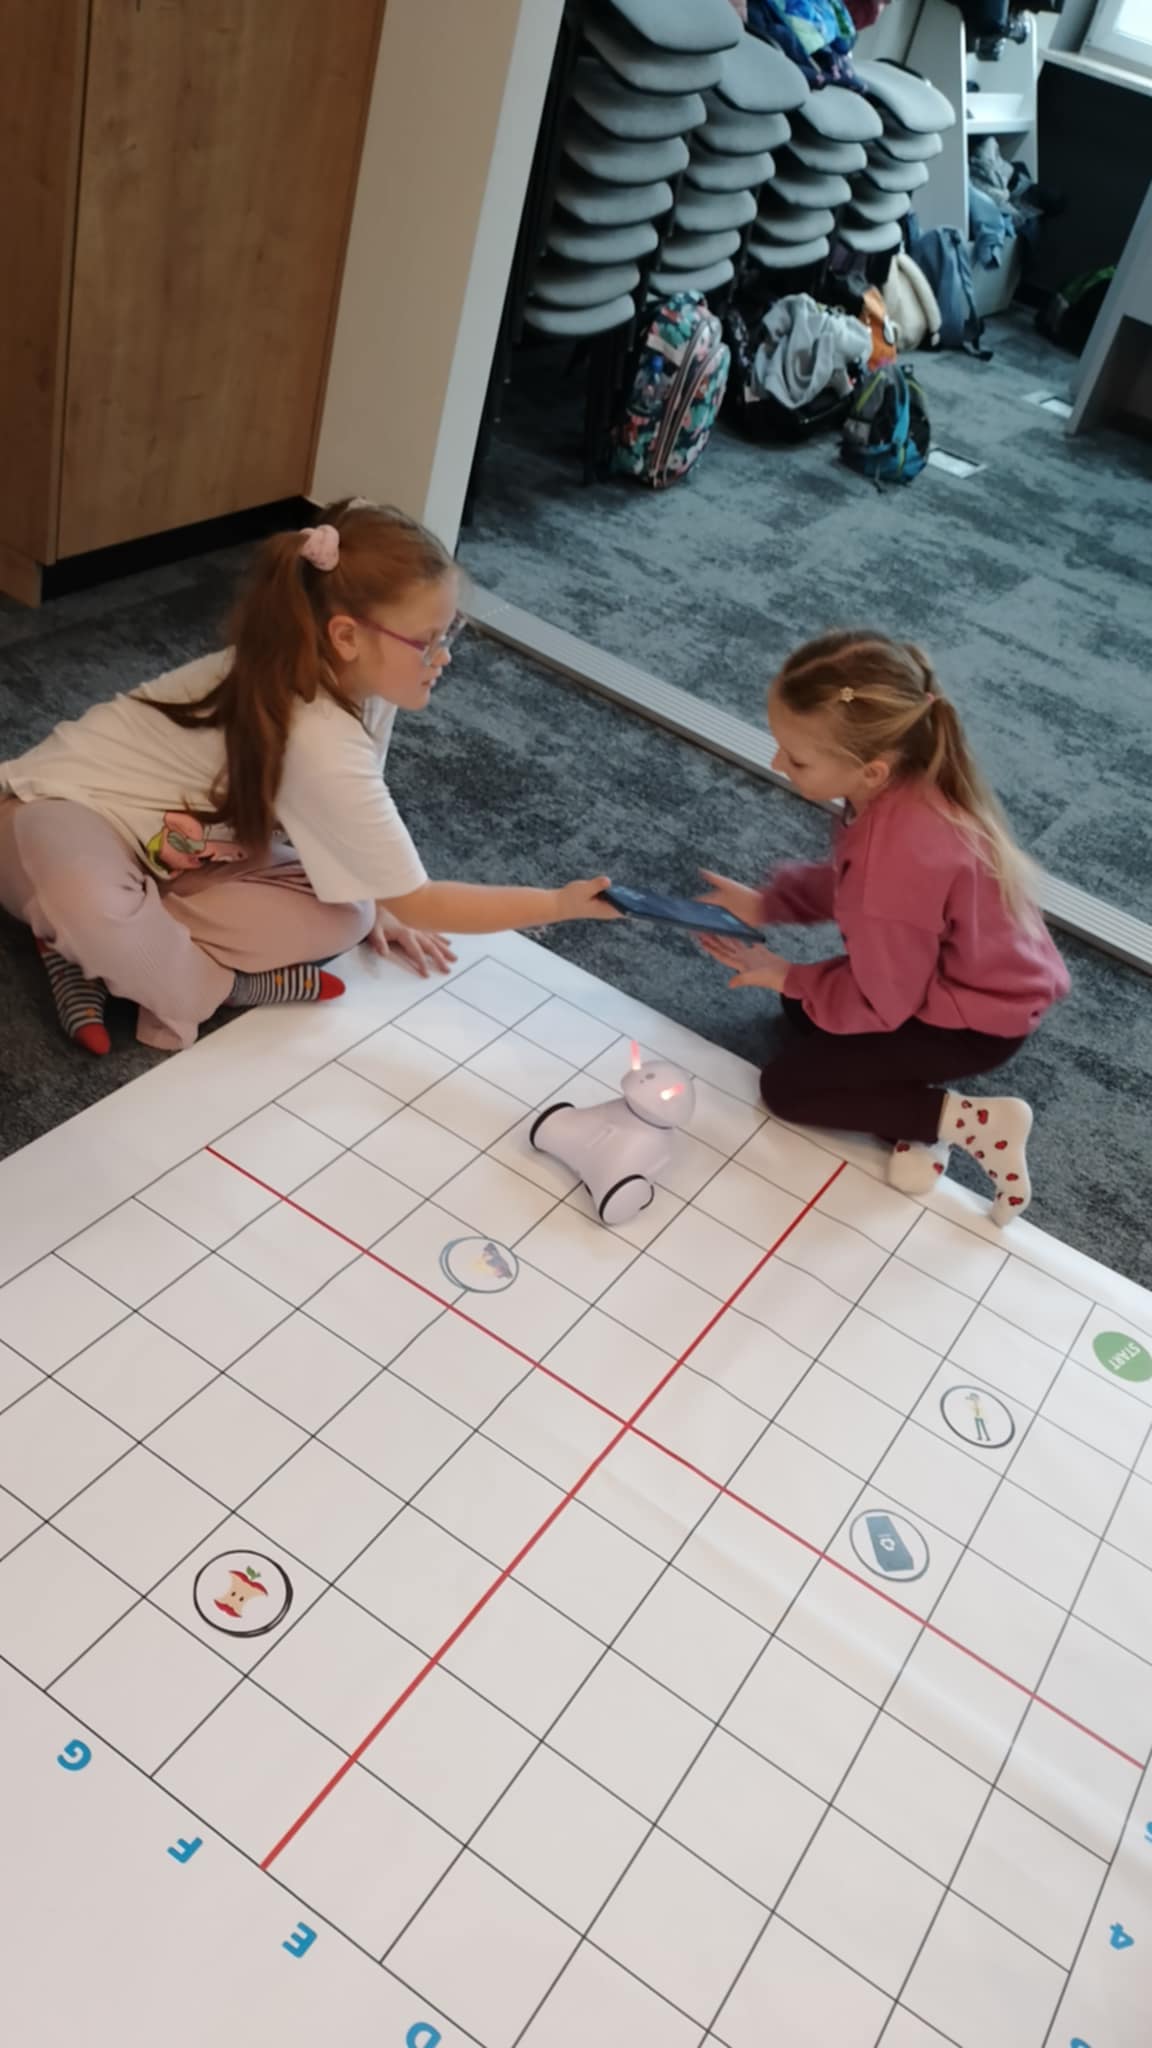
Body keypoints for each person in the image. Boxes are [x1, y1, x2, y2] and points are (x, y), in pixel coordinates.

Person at [0, 501, 617, 1054]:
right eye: (429, 641)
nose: (445, 656)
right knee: (94, 908)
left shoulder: (361, 686)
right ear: (346, 636)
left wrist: (383, 900)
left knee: (353, 911)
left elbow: (361, 826)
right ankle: (207, 981)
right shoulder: (317, 734)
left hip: (178, 850)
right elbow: (422, 900)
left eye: (451, 632)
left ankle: (91, 948)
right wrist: (556, 904)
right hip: (51, 813)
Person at [696, 629, 1070, 1225]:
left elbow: (885, 1001)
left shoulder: (893, 858)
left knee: (788, 1088)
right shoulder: (905, 785)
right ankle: (906, 1117)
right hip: (970, 984)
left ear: (870, 770)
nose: (776, 763)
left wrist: (788, 974)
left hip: (973, 1025)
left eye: (796, 757)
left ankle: (971, 1123)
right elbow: (854, 890)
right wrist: (771, 905)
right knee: (805, 1013)